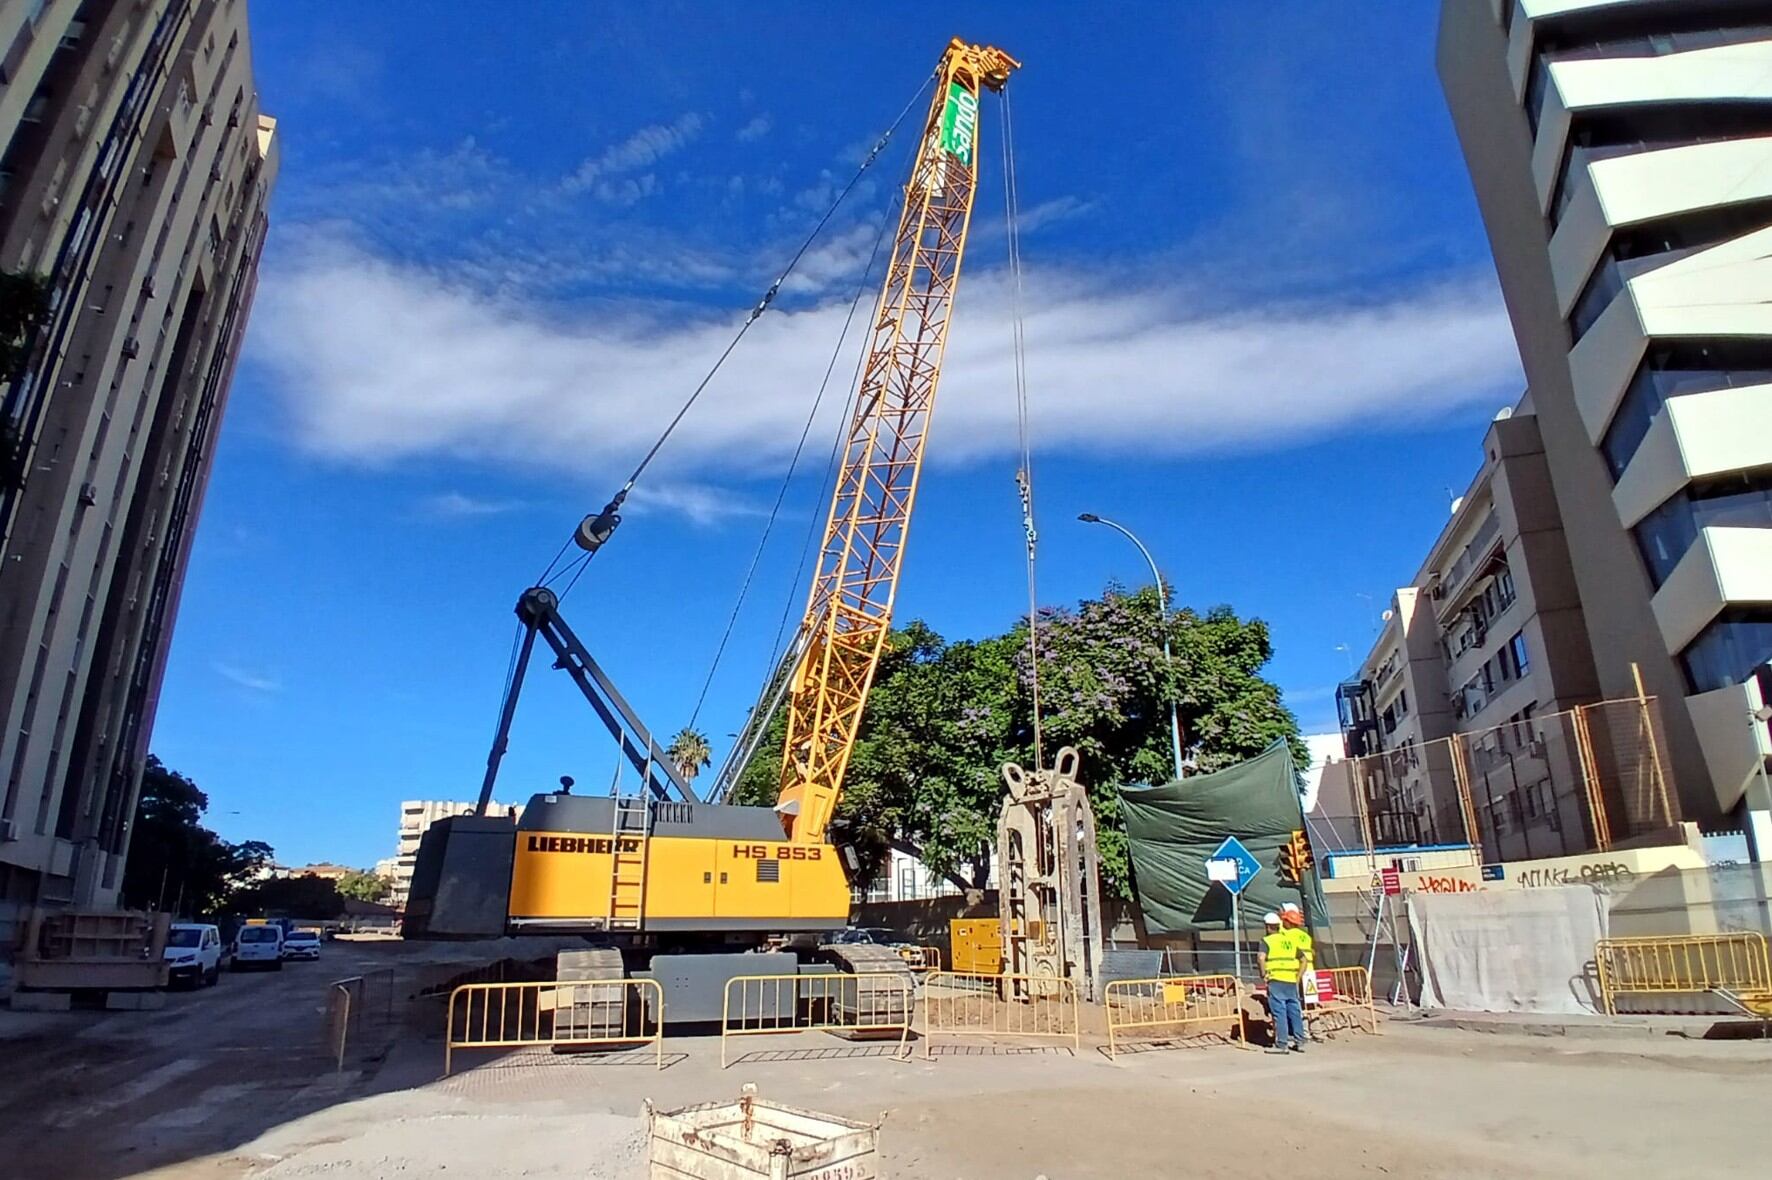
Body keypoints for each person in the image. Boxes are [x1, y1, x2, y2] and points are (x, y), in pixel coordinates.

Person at [1258, 906, 1313, 1054]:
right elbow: (1304, 960)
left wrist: (1263, 973)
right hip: (1290, 980)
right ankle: (1299, 1042)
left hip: (1276, 980)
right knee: (1295, 1010)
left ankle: (1282, 1044)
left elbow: (1261, 957)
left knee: (1279, 1012)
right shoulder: (1290, 941)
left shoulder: (1267, 941)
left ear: (1268, 927)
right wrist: (1297, 977)